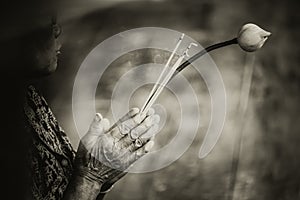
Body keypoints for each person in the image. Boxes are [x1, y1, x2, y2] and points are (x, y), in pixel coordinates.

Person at [0, 7, 160, 200]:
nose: (57, 30)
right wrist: (90, 179)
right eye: (47, 20)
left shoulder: (26, 96)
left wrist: (102, 175)